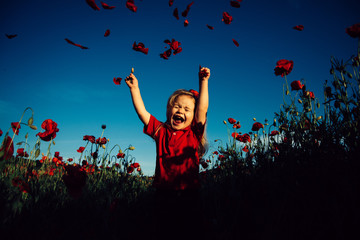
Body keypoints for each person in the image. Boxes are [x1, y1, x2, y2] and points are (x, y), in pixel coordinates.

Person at [125, 66, 210, 240]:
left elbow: (202, 109)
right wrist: (134, 89)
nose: (180, 111)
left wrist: (203, 81)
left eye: (187, 109)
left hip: (189, 194)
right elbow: (142, 112)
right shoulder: (160, 131)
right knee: (164, 231)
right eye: (177, 106)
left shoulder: (194, 133)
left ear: (193, 116)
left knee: (191, 231)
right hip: (163, 194)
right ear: (168, 110)